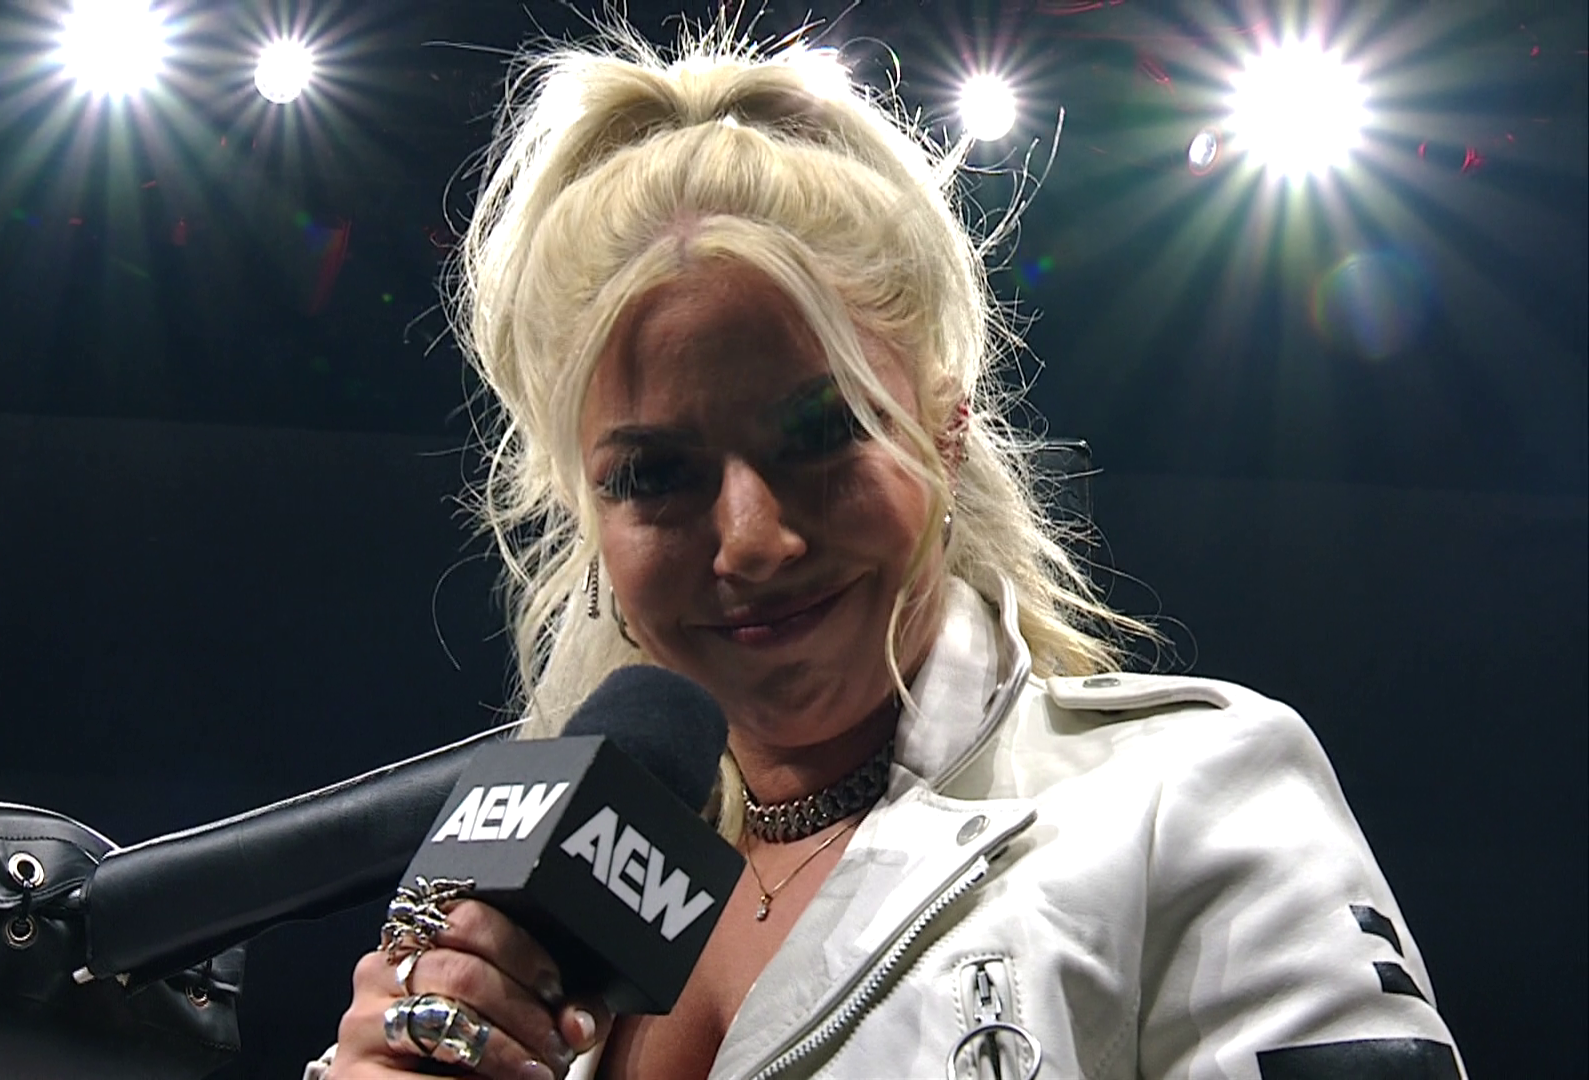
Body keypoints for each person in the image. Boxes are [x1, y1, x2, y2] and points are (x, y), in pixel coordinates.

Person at [312, 25, 1467, 1080]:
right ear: (588, 512)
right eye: (655, 475)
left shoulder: (1188, 798)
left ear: (945, 428)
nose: (754, 543)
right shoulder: (536, 931)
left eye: (822, 434)